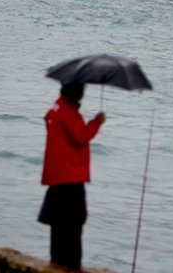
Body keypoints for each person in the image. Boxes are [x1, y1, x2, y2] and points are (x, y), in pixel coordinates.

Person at [38, 83, 106, 271]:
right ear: (75, 92)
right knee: (75, 220)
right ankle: (73, 265)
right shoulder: (68, 113)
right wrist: (96, 122)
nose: (83, 94)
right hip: (71, 175)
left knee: (58, 222)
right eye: (81, 90)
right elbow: (80, 137)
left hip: (56, 174)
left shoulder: (55, 109)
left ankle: (57, 262)